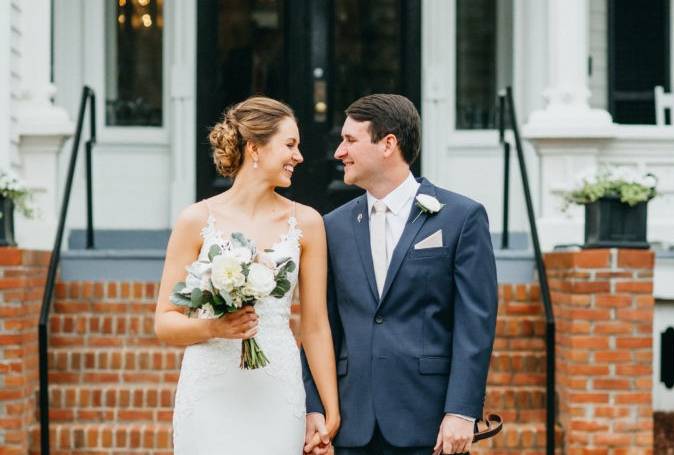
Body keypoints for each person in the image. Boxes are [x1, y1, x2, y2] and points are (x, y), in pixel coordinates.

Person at [302, 94, 498, 455]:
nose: (339, 152)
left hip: (429, 423)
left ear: (388, 143)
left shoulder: (461, 218)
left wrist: (462, 410)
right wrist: (314, 405)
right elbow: (320, 324)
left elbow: (476, 323)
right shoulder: (333, 226)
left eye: (350, 140)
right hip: (351, 424)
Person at [154, 97, 340, 454]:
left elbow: (315, 326)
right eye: (290, 145)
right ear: (254, 148)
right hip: (209, 392)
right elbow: (164, 322)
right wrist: (213, 327)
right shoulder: (195, 220)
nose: (299, 156)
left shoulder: (307, 223)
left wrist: (330, 411)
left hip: (275, 390)